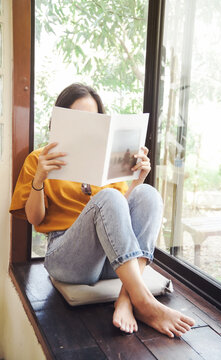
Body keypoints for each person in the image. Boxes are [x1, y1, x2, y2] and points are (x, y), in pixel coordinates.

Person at [10, 83, 195, 337]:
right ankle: (144, 302)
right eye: (81, 119)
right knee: (108, 196)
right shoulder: (39, 159)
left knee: (148, 194)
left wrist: (139, 179)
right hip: (68, 259)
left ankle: (126, 299)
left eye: (95, 119)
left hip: (112, 259)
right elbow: (34, 219)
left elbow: (120, 213)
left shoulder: (106, 163)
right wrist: (40, 178)